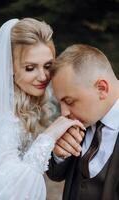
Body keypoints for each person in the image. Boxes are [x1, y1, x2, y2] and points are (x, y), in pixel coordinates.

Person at [0, 19, 85, 200]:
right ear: (10, 68)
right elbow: (7, 190)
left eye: (48, 66)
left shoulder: (32, 98)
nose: (43, 77)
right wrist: (48, 137)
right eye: (30, 68)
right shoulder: (2, 116)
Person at [47, 44, 119, 200]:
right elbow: (55, 174)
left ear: (102, 88)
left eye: (70, 101)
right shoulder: (80, 120)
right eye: (61, 103)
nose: (64, 112)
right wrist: (59, 154)